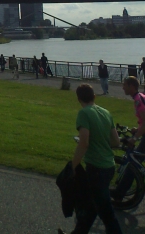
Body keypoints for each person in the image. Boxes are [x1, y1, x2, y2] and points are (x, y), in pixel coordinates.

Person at [58, 83, 122, 234]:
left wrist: (73, 166)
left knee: (107, 214)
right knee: (91, 207)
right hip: (109, 166)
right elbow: (115, 142)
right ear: (94, 96)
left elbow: (84, 142)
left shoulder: (84, 113)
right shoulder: (105, 112)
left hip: (97, 168)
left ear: (78, 98)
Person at [111, 76, 145, 202]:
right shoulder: (140, 96)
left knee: (133, 164)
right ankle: (120, 191)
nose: (123, 87)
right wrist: (138, 129)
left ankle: (119, 193)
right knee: (136, 162)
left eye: (124, 85)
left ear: (131, 86)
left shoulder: (138, 100)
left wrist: (134, 138)